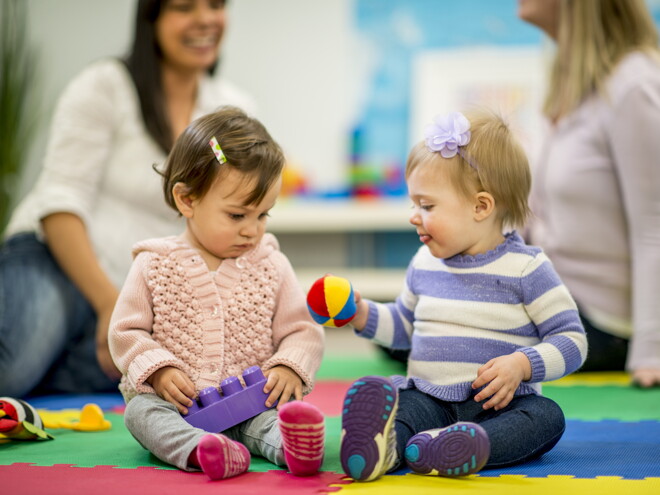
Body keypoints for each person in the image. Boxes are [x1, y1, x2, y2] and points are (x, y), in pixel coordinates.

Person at [0, 0, 256, 397]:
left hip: (140, 294)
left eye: (216, 4)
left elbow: (232, 209)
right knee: (11, 373)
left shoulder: (227, 113)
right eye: (184, 7)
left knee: (186, 377)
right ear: (151, 18)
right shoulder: (105, 86)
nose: (205, 19)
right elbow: (59, 203)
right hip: (58, 262)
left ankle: (63, 354)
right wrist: (109, 305)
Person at [336, 110, 587, 482]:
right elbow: (405, 327)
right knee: (402, 410)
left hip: (498, 406)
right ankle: (385, 448)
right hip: (428, 398)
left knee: (545, 417)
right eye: (413, 203)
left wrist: (522, 364)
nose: (413, 216)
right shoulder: (425, 262)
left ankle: (462, 446)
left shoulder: (527, 268)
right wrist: (360, 314)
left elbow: (573, 340)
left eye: (427, 205)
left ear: (480, 207)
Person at [108, 107, 325, 480]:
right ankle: (200, 451)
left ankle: (293, 447)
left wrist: (290, 364)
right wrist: (158, 370)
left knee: (267, 420)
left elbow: (301, 329)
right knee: (139, 415)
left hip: (250, 402)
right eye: (238, 216)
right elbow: (126, 331)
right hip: (174, 406)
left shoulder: (271, 264)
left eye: (263, 215)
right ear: (187, 200)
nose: (252, 231)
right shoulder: (152, 264)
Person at [518, 0, 660, 387]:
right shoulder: (574, 83)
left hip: (604, 322)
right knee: (423, 315)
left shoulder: (634, 85)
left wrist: (652, 352)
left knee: (436, 335)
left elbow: (654, 226)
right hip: (557, 293)